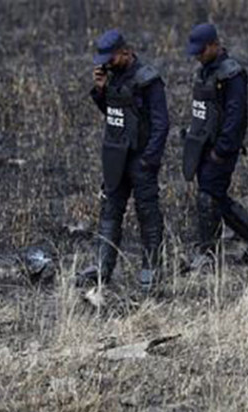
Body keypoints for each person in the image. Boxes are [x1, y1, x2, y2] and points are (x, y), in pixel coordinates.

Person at [78, 29, 169, 292]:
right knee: (110, 211)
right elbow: (113, 114)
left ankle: (151, 272)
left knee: (148, 214)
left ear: (125, 52)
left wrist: (149, 160)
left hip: (140, 158)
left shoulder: (148, 79)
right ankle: (102, 269)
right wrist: (100, 91)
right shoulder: (112, 78)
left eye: (111, 57)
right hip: (115, 156)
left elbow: (161, 125)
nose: (106, 63)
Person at [181, 23, 248, 270]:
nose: (197, 57)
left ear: (214, 45)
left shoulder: (232, 74)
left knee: (207, 197)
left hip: (220, 150)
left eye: (201, 51)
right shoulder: (205, 71)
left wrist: (222, 149)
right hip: (202, 146)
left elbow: (236, 115)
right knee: (216, 198)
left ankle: (207, 256)